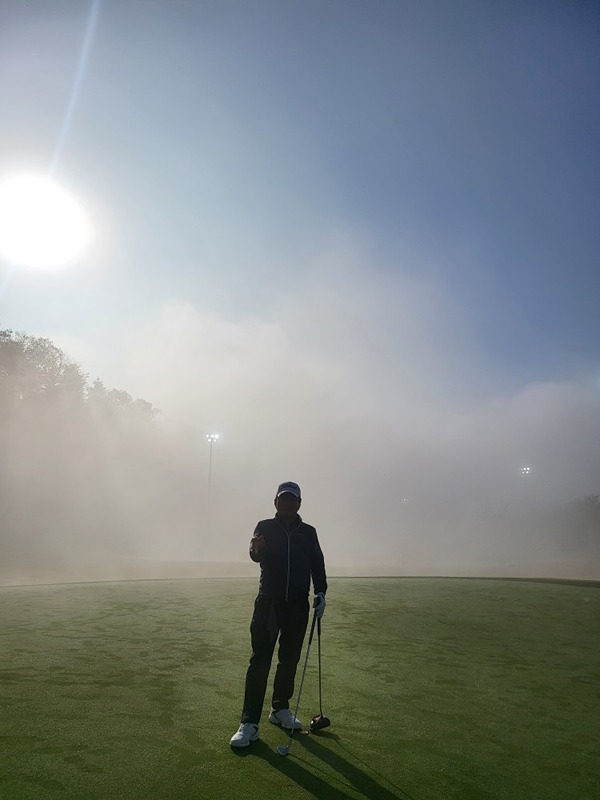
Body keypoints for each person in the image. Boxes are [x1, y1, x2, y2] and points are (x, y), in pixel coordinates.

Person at [230, 481, 327, 748]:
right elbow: (254, 555)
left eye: (292, 499)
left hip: (297, 605)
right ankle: (249, 723)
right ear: (275, 502)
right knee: (260, 661)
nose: (287, 503)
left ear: (299, 503)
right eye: (282, 499)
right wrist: (257, 549)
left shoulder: (308, 532)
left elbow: (317, 564)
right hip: (269, 605)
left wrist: (321, 592)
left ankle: (279, 709)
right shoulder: (264, 527)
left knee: (289, 660)